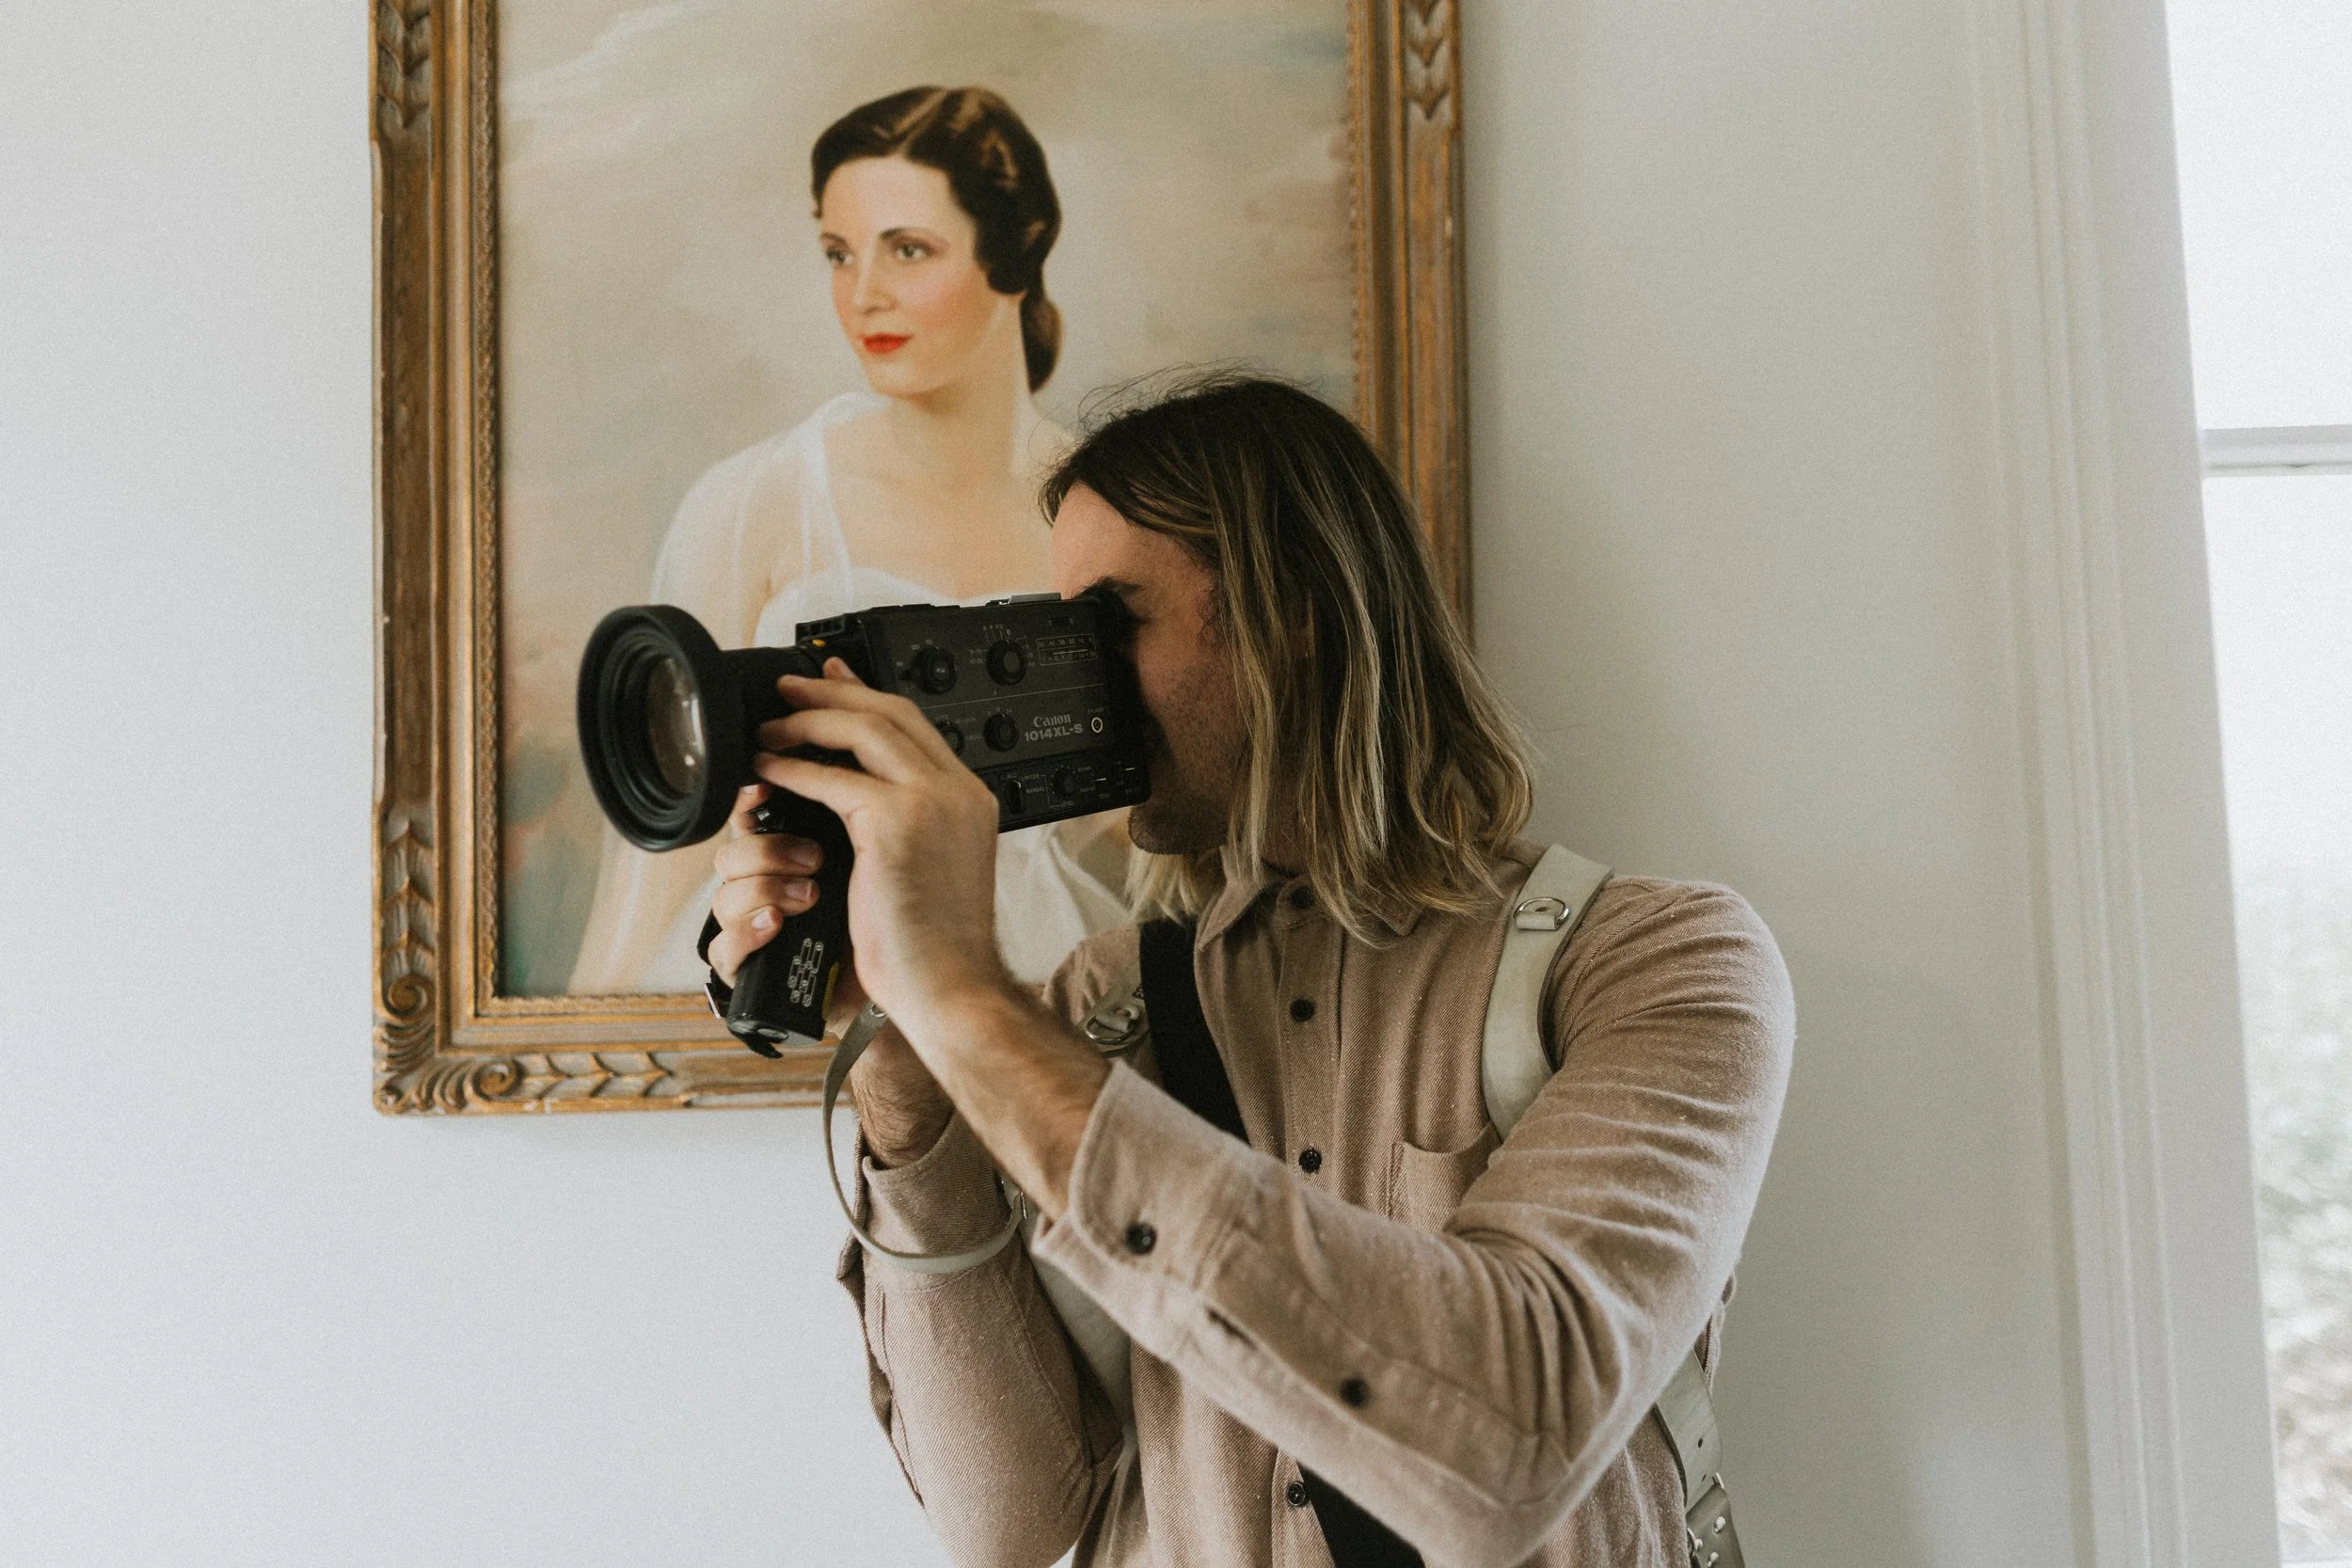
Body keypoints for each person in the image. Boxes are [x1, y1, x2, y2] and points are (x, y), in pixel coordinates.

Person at [707, 375, 1794, 1566]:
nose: (1075, 676)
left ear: (1294, 611)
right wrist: (910, 1072)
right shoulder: (1090, 1013)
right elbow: (1004, 1523)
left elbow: (1517, 1439)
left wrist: (966, 992)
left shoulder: (1656, 959)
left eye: (1109, 620)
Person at [569, 85, 1126, 995]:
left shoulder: (1114, 508)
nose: (864, 294)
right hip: (801, 963)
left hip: (1052, 969)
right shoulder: (756, 499)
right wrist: (593, 1037)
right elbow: (663, 847)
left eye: (907, 250)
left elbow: (1174, 822)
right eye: (838, 252)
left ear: (1016, 255)